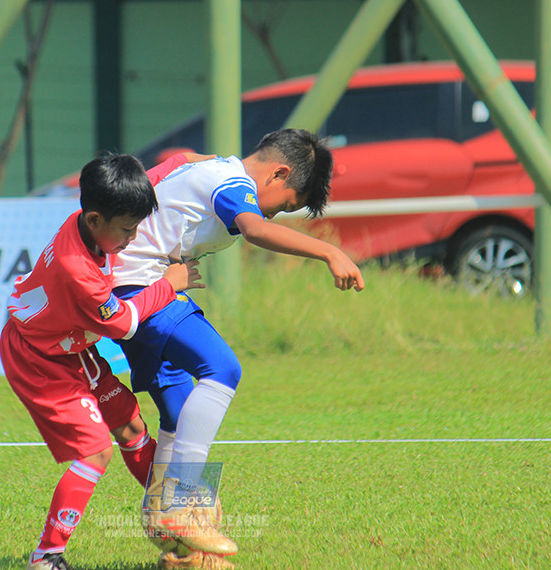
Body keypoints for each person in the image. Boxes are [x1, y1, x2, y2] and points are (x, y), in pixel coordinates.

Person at [112, 129, 365, 565]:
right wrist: (328, 251)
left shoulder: (210, 170)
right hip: (139, 286)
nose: (278, 212)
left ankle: (165, 522)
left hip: (133, 287)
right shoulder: (232, 182)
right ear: (279, 173)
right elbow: (254, 229)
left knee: (177, 405)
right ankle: (184, 505)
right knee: (223, 369)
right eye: (286, 203)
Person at [0, 153, 203, 570]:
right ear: (95, 220)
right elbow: (124, 323)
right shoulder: (79, 269)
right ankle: (47, 556)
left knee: (131, 425)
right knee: (95, 452)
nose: (134, 237)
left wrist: (194, 160)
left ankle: (175, 519)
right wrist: (169, 284)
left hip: (70, 348)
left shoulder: (107, 210)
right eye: (128, 230)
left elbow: (161, 172)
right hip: (39, 358)